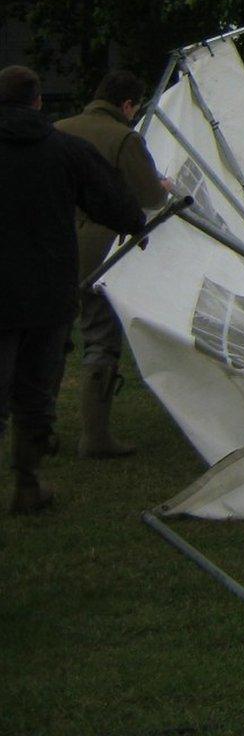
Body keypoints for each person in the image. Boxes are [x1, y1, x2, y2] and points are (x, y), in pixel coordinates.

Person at [0, 66, 146, 514]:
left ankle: (29, 486)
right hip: (47, 292)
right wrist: (136, 224)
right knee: (35, 393)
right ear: (38, 101)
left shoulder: (65, 144)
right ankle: (27, 484)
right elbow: (117, 205)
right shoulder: (65, 151)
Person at [56, 69, 170, 458]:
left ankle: (36, 431)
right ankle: (95, 437)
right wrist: (164, 186)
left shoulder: (57, 129)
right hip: (98, 253)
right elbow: (152, 198)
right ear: (127, 105)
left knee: (46, 343)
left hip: (49, 250)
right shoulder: (124, 137)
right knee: (100, 339)